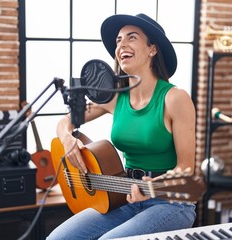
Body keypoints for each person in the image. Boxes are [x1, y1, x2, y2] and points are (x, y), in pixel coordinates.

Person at [47, 13, 196, 240]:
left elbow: (187, 169)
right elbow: (66, 120)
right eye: (118, 40)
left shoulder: (175, 98)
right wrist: (67, 138)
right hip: (125, 196)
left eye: (132, 37)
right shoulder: (114, 98)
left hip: (172, 202)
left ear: (152, 49)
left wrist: (151, 188)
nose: (121, 45)